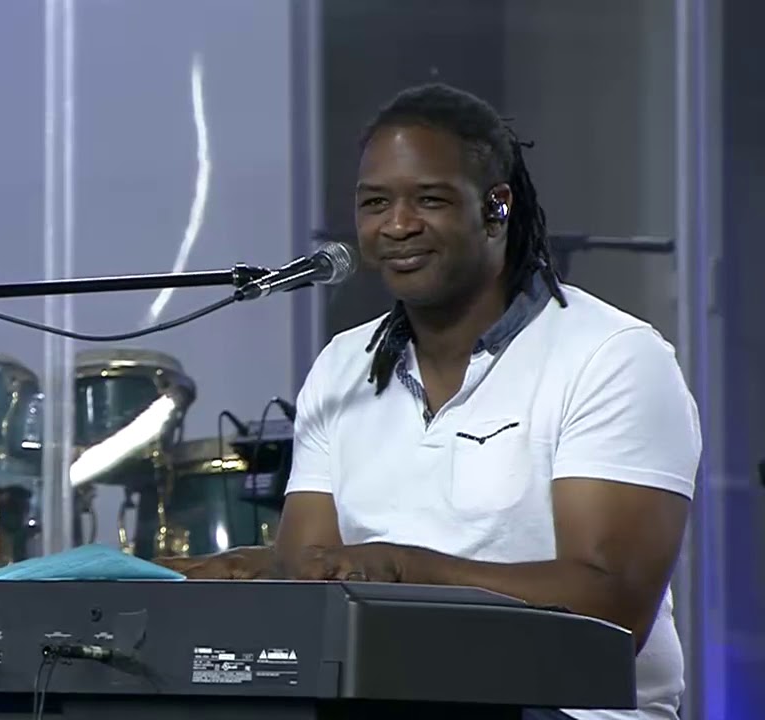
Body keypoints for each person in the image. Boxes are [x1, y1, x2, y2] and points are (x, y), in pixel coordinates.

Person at [157, 84, 701, 720]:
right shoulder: (342, 365)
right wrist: (221, 574)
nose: (397, 225)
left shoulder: (612, 357)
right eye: (375, 203)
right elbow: (312, 575)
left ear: (496, 207)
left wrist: (401, 567)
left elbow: (609, 613)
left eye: (430, 200)